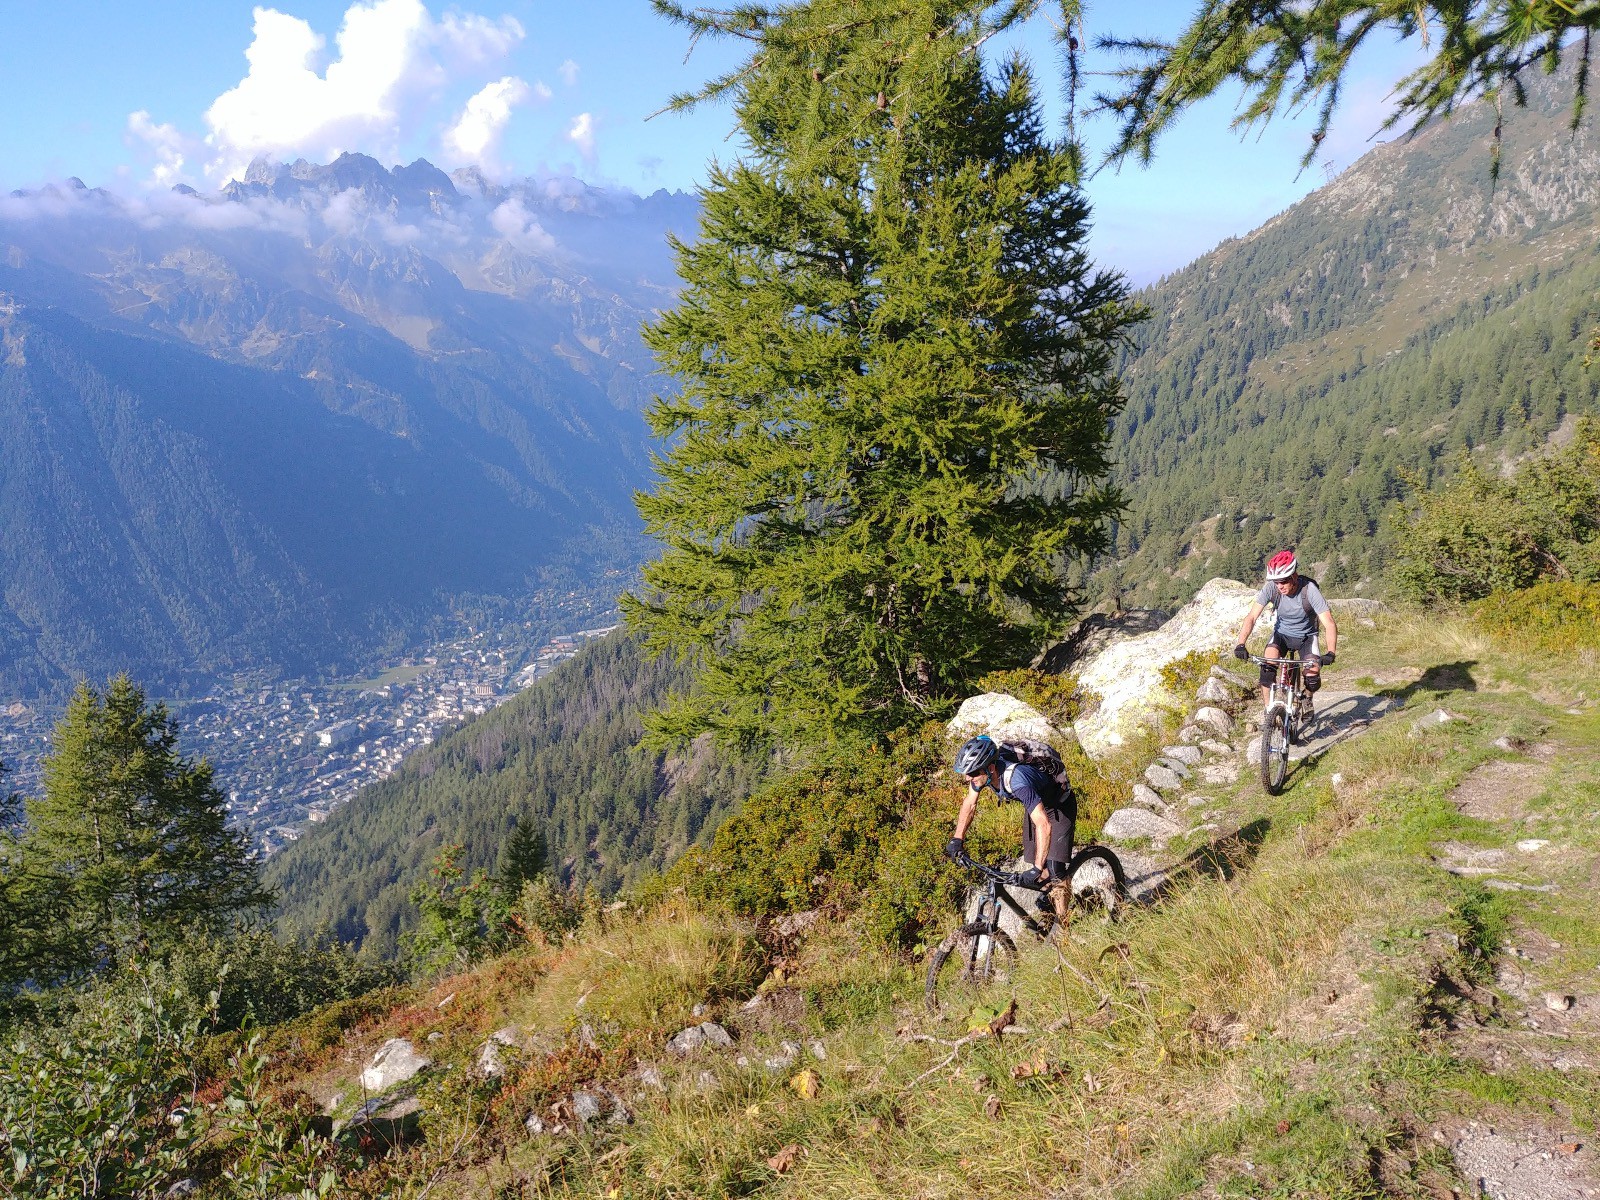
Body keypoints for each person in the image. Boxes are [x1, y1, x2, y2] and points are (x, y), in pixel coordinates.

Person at [943, 734, 1073, 889]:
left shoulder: (1017, 780)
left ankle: (1062, 913)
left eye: (973, 773)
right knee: (1038, 867)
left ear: (990, 768)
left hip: (1059, 806)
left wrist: (1037, 868)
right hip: (1036, 805)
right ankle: (1048, 906)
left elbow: (1043, 824)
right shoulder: (984, 775)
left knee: (1055, 871)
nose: (967, 778)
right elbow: (970, 803)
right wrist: (958, 838)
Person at [1232, 550, 1338, 712]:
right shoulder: (1272, 589)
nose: (1279, 586)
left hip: (1306, 637)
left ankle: (1307, 698)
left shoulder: (1309, 590)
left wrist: (1331, 652)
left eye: (1283, 581)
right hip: (1281, 635)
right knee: (1267, 669)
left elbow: (1329, 623)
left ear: (1294, 576)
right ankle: (1269, 711)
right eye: (1276, 582)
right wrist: (1241, 643)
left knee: (1312, 678)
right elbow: (1252, 616)